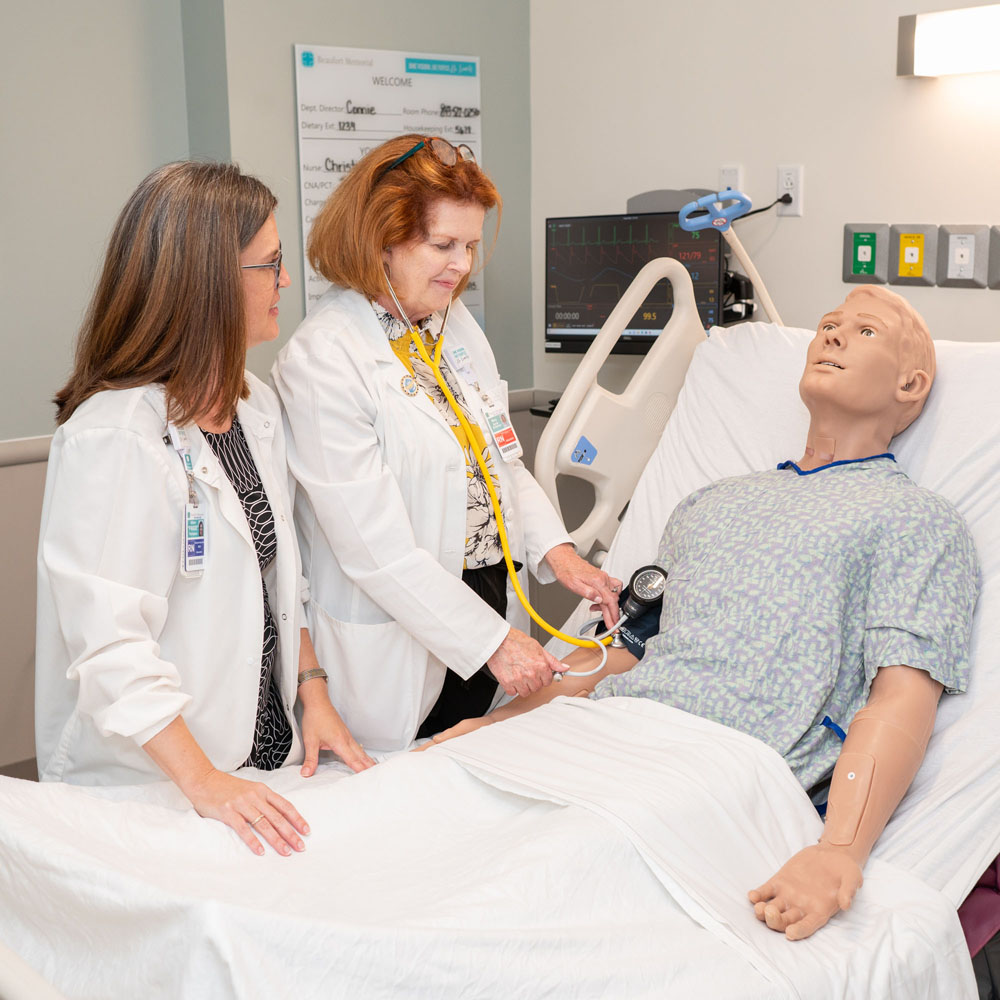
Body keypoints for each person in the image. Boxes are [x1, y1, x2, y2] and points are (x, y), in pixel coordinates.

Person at [423, 285, 980, 940]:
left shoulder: (918, 522)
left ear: (912, 385)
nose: (831, 334)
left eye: (864, 333)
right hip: (594, 736)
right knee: (412, 825)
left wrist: (838, 852)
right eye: (828, 323)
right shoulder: (710, 503)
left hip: (715, 771)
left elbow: (898, 698)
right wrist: (503, 722)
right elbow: (624, 650)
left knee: (497, 903)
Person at [35, 161, 374, 858]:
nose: (286, 282)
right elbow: (109, 647)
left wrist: (314, 696)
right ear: (209, 281)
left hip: (261, 762)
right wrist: (207, 782)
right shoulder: (116, 434)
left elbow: (285, 585)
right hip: (152, 787)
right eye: (271, 264)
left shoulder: (254, 404)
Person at [271, 135, 621, 750]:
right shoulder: (324, 357)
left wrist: (560, 554)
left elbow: (501, 461)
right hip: (401, 625)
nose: (461, 265)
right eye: (442, 245)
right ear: (378, 239)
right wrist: (490, 642)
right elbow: (371, 549)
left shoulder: (451, 324)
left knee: (475, 766)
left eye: (469, 246)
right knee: (405, 791)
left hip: (485, 594)